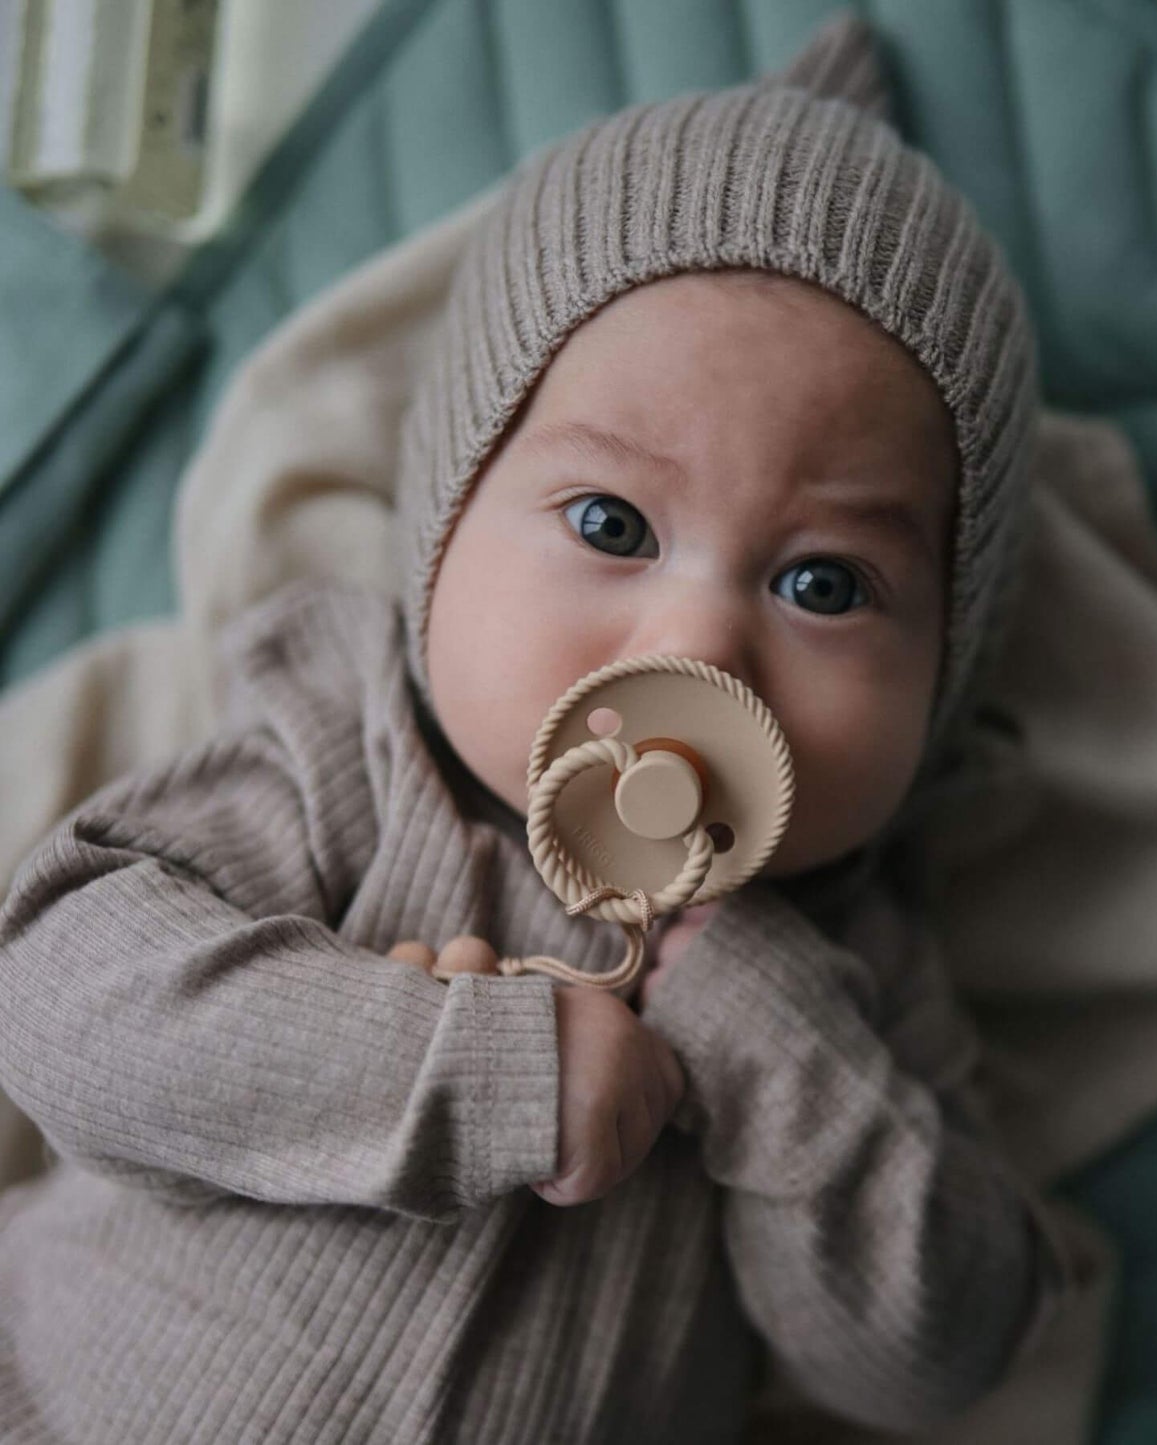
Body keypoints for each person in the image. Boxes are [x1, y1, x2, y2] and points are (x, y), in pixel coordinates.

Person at [0, 15, 1069, 1443]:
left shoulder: (853, 978)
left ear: (943, 676)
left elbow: (934, 1358)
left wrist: (782, 1059)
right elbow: (66, 1002)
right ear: (440, 532)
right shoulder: (347, 752)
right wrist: (449, 1060)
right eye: (612, 524)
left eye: (824, 582)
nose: (696, 651)